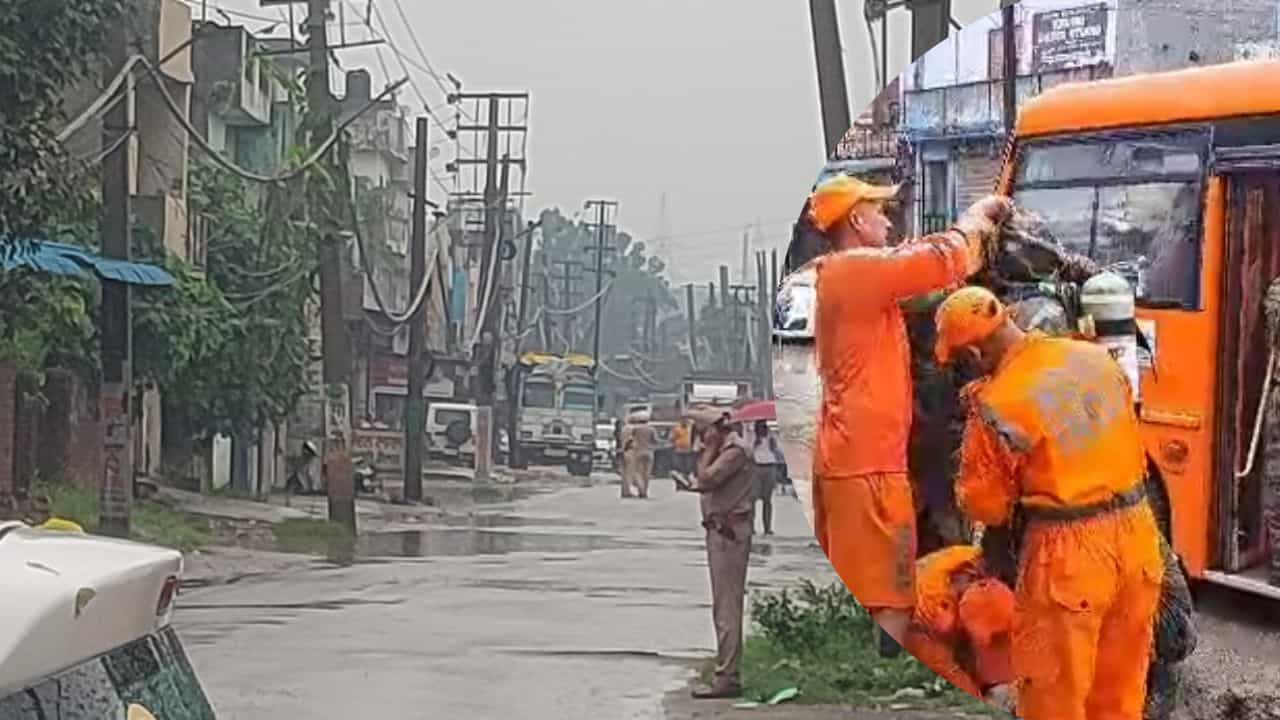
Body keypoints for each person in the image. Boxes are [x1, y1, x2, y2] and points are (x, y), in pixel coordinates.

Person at [934, 285, 1163, 720]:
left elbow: (987, 507)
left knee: (1053, 698)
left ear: (975, 353)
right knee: (1119, 696)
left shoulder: (998, 404)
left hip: (1069, 556)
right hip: (1139, 538)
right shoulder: (1094, 357)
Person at [805, 173, 1012, 655]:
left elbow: (919, 276)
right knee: (887, 588)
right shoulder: (856, 269)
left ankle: (877, 660)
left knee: (874, 579)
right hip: (867, 462)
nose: (888, 220)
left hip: (858, 455)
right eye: (879, 212)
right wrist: (980, 216)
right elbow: (943, 258)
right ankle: (885, 671)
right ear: (857, 221)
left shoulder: (852, 277)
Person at [683, 406, 756, 699]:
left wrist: (709, 450)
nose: (701, 440)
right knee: (722, 606)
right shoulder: (728, 450)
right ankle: (726, 671)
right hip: (721, 531)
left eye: (703, 433)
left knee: (727, 607)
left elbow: (706, 479)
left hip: (729, 534)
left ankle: (728, 676)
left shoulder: (733, 452)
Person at [751, 419, 786, 535]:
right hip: (756, 466)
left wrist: (774, 446)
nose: (762, 427)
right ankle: (751, 526)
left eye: (764, 425)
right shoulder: (751, 435)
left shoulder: (771, 435)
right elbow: (747, 450)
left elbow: (778, 452)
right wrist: (754, 444)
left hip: (770, 465)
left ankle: (767, 527)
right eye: (760, 425)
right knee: (752, 499)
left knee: (767, 499)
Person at [621, 410, 657, 499]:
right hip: (649, 452)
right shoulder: (651, 429)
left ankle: (641, 490)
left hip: (638, 452)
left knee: (638, 473)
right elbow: (655, 440)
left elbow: (630, 439)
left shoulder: (635, 429)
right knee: (647, 473)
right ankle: (645, 490)